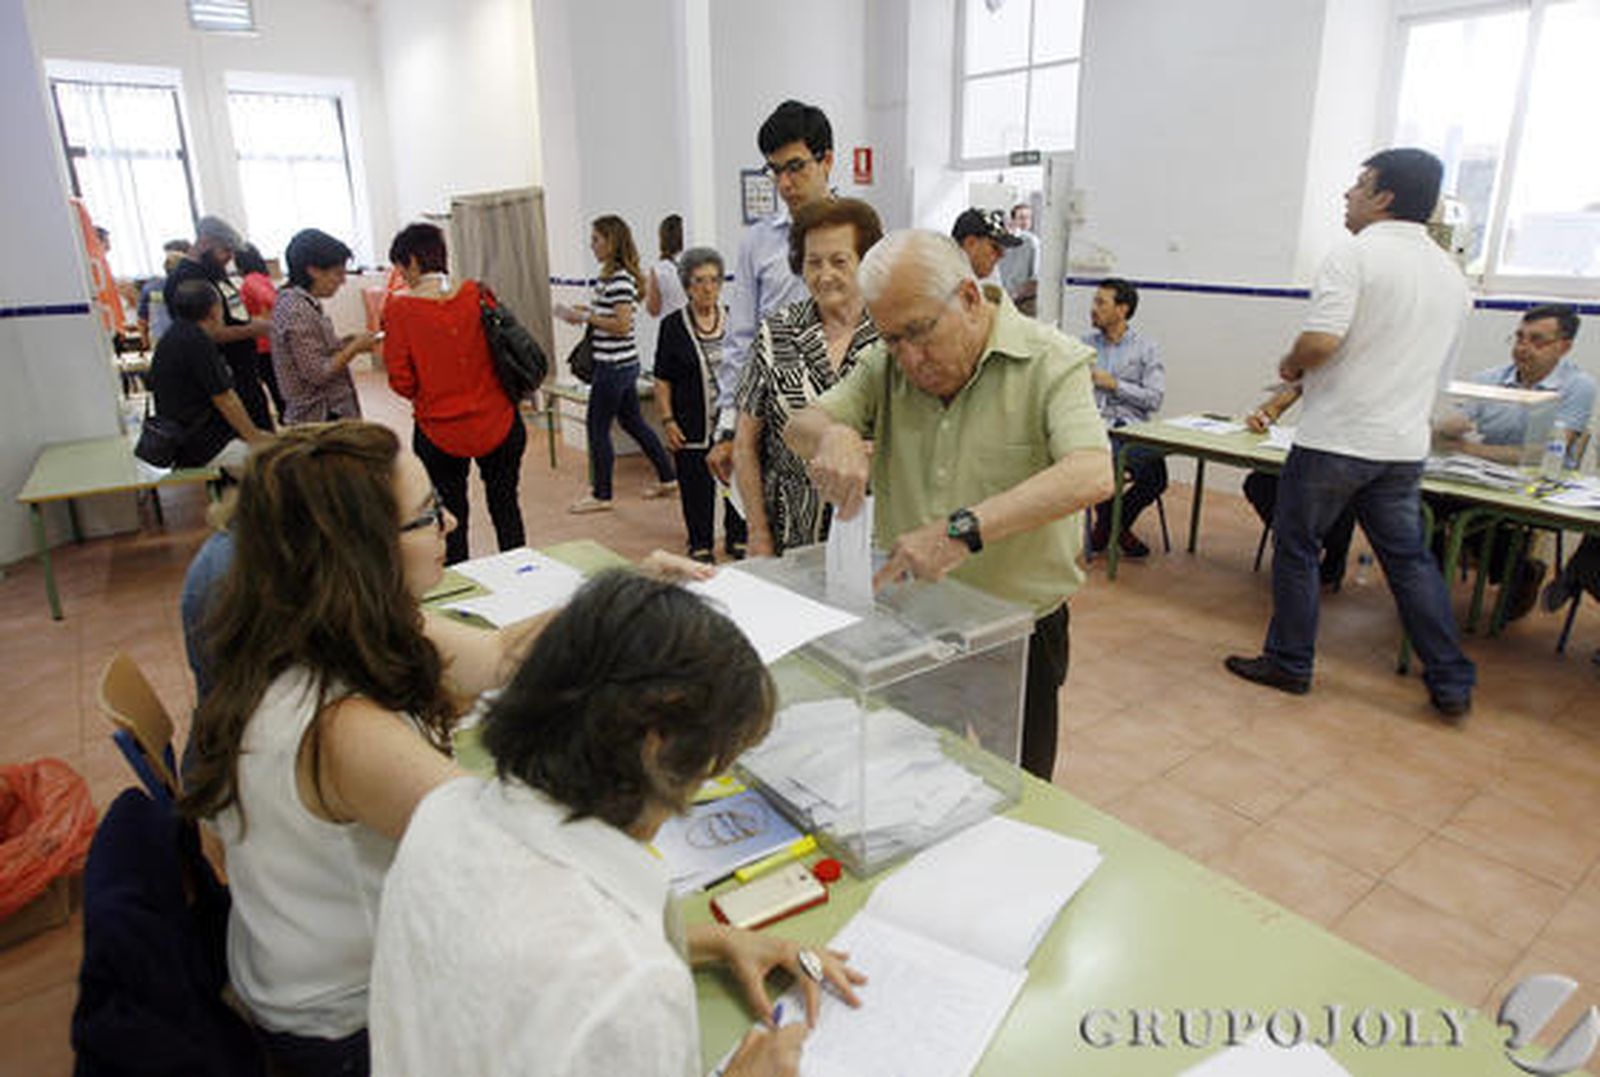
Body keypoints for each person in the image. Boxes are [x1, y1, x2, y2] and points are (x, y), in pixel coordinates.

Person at [369, 571, 865, 1076]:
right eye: (717, 762)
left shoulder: (446, 814)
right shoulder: (633, 986)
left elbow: (525, 965)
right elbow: (585, 973)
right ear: (660, 747)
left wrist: (713, 939)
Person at [177, 422, 494, 1075]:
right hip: (352, 1034)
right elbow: (511, 870)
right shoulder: (341, 728)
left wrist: (621, 604)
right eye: (428, 515)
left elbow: (494, 655)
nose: (453, 521)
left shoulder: (293, 633)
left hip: (289, 976)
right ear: (361, 553)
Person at [785, 230, 1113, 781]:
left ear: (967, 296)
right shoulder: (883, 366)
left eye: (920, 332)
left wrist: (962, 530)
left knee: (1017, 788)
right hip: (913, 624)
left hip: (1019, 629)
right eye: (893, 339)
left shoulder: (1049, 361)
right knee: (914, 775)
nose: (910, 358)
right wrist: (833, 436)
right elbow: (802, 423)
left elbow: (1091, 471)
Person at [1225, 148, 1477, 722]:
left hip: (1336, 439)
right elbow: (1437, 373)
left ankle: (1289, 661)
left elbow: (1321, 343)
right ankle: (1451, 678)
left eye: (1360, 185)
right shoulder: (1450, 276)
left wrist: (1291, 365)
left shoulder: (1355, 255)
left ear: (1385, 197)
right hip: (1402, 446)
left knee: (1296, 549)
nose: (1348, 194)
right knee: (1409, 562)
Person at [734, 198, 882, 557]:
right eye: (813, 262)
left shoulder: (891, 334)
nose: (824, 274)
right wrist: (757, 533)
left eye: (839, 261)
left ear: (866, 262)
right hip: (790, 526)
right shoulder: (777, 332)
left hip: (875, 528)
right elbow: (744, 444)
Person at [1430, 303, 1595, 619]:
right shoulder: (1489, 378)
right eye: (1519, 337)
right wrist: (1443, 425)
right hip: (1486, 477)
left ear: (1564, 347)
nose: (1523, 348)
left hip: (1539, 485)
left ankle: (1520, 574)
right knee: (1420, 502)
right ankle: (1429, 584)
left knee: (1499, 519)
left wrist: (1468, 449)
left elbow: (1546, 452)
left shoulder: (1578, 386)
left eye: (1537, 340)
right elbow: (1457, 419)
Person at [707, 100, 836, 490]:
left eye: (795, 167)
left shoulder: (859, 233)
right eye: (775, 170)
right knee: (773, 533)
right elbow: (741, 337)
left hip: (842, 410)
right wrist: (728, 427)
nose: (784, 184)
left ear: (826, 160)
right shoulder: (758, 242)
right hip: (772, 413)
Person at [384, 222, 527, 564]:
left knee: (450, 518)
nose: (402, 276)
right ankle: (523, 576)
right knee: (506, 506)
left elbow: (401, 380)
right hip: (500, 421)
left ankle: (462, 591)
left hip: (440, 430)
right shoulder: (477, 293)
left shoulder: (400, 309)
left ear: (414, 262)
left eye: (402, 267)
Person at [558, 215, 677, 513]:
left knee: (597, 428)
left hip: (613, 367)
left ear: (611, 242)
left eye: (596, 239)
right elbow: (612, 315)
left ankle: (602, 494)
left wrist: (586, 317)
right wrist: (584, 312)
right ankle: (668, 476)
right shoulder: (610, 278)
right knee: (633, 422)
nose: (591, 245)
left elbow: (622, 325)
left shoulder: (620, 279)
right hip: (621, 365)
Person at [653, 246, 749, 561]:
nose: (707, 288)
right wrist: (667, 420)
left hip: (731, 422)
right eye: (699, 281)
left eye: (713, 280)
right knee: (695, 487)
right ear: (686, 286)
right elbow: (663, 378)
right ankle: (700, 541)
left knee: (734, 481)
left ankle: (738, 535)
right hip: (691, 420)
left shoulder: (736, 321)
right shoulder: (672, 326)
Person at [145, 279, 271, 475]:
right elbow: (225, 398)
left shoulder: (175, 335)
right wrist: (253, 437)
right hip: (201, 442)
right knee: (270, 468)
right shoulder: (196, 341)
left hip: (184, 436)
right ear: (215, 310)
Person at [1241, 383, 1358, 591]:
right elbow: (1289, 393)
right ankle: (1292, 542)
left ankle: (1331, 557)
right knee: (1258, 483)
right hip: (1310, 448)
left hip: (1353, 454)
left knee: (1339, 492)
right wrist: (1264, 417)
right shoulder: (1318, 363)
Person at [1083, 278, 1167, 559]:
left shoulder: (1146, 349)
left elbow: (1154, 399)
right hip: (1093, 427)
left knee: (1157, 477)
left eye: (1100, 303)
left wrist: (1115, 384)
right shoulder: (1082, 346)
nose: (1093, 309)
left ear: (1122, 309)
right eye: (1094, 301)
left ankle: (1112, 525)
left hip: (1133, 428)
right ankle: (1115, 528)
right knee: (1105, 465)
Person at [165, 216, 275, 431]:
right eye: (225, 251)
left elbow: (234, 315)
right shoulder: (187, 280)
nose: (229, 258)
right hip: (221, 377)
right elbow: (207, 333)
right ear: (205, 242)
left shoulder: (215, 273)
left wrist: (255, 323)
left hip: (245, 374)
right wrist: (257, 329)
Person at [271, 229, 378, 424]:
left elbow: (313, 353)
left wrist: (345, 343)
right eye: (338, 273)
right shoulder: (296, 309)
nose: (342, 281)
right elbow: (318, 373)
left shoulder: (302, 303)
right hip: (320, 416)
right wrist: (354, 348)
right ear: (313, 270)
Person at [235, 243, 285, 421]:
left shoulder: (251, 280)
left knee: (276, 390)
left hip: (263, 346)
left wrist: (258, 320)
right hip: (269, 343)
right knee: (278, 389)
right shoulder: (262, 278)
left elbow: (269, 299)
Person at [137, 239, 191, 349]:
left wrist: (145, 344)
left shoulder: (151, 286)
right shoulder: (194, 285)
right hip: (187, 339)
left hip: (161, 340)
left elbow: (142, 320)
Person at [951, 208, 1020, 291]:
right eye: (995, 248)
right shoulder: (940, 278)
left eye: (1003, 250)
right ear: (970, 243)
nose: (1002, 255)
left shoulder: (989, 275)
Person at [998, 202, 1041, 316]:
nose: (1025, 222)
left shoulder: (1033, 242)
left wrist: (1015, 297)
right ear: (1012, 221)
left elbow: (1035, 279)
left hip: (1024, 303)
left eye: (1028, 218)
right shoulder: (1003, 243)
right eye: (1021, 218)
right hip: (1004, 301)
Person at [644, 213, 688, 319]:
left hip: (670, 329)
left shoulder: (658, 270)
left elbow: (653, 310)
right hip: (700, 328)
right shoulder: (699, 263)